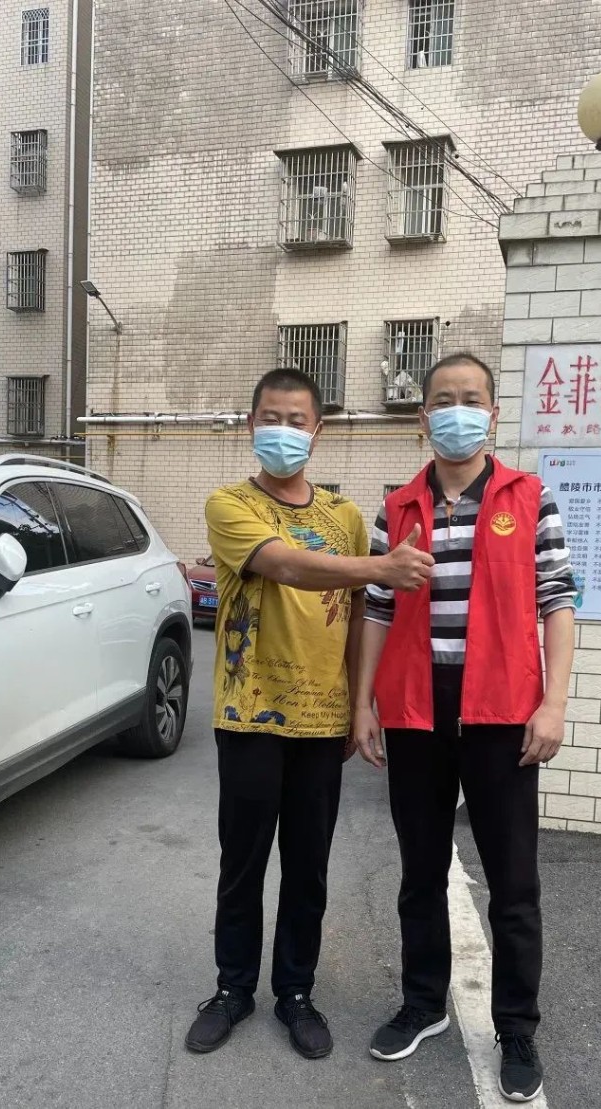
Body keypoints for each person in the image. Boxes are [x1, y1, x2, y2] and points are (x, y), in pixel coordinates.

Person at [186, 367, 434, 1061]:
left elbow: (356, 617)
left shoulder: (345, 517)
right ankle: (232, 989)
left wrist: (361, 705)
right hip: (249, 714)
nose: (283, 430)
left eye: (297, 420)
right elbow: (286, 566)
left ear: (317, 430)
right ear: (250, 424)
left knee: (307, 869)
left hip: (323, 724)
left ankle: (295, 991)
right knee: (242, 864)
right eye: (271, 417)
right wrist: (381, 568)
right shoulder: (228, 504)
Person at [352, 353, 576, 1103]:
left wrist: (553, 703)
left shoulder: (529, 497)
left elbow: (557, 601)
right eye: (443, 400)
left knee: (512, 880)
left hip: (502, 712)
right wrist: (364, 703)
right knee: (420, 870)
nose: (457, 411)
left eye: (471, 399)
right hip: (417, 708)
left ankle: (516, 1026)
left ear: (493, 414)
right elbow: (377, 608)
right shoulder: (397, 507)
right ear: (423, 417)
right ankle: (424, 1003)